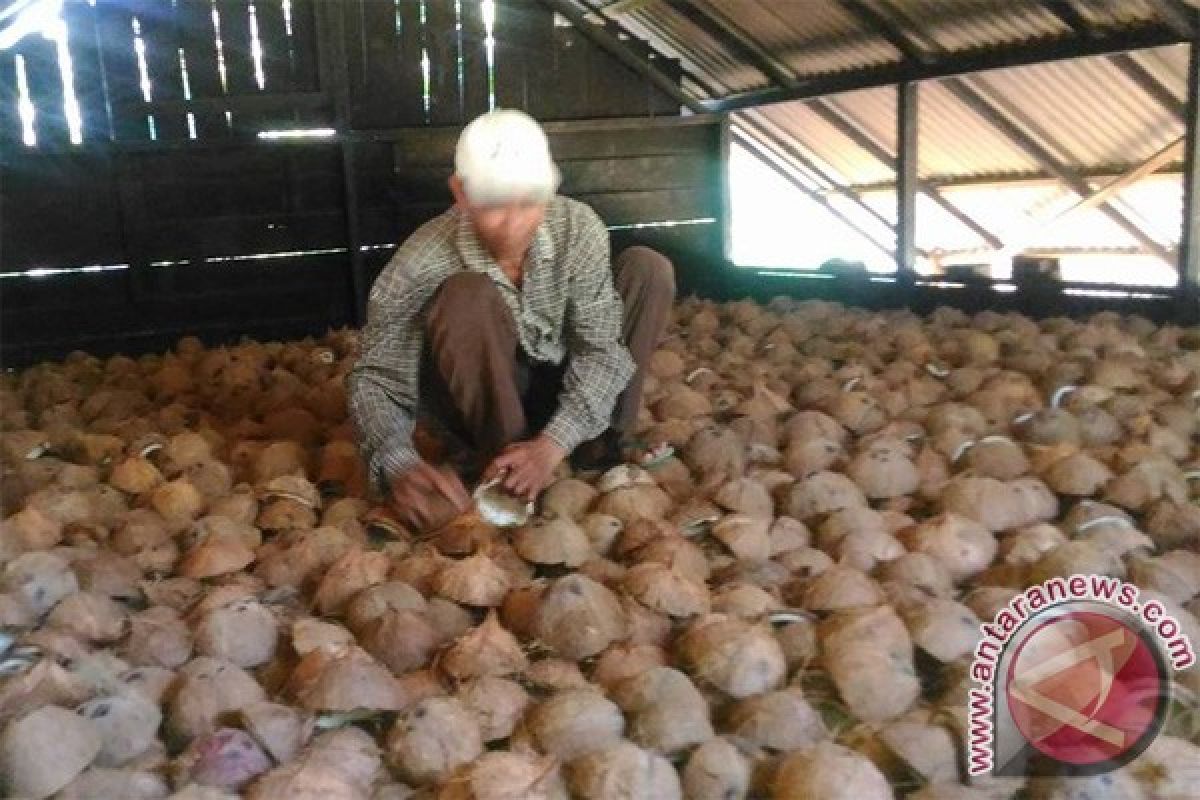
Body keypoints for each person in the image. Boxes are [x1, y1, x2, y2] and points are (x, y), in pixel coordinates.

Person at [347, 109, 675, 534]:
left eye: (530, 202)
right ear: (461, 193)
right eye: (496, 206)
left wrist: (553, 443)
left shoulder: (578, 227)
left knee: (648, 269)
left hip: (561, 387)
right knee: (466, 295)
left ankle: (603, 446)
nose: (515, 223)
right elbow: (376, 380)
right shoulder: (419, 264)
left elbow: (600, 349)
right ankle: (503, 472)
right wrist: (398, 462)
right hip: (486, 407)